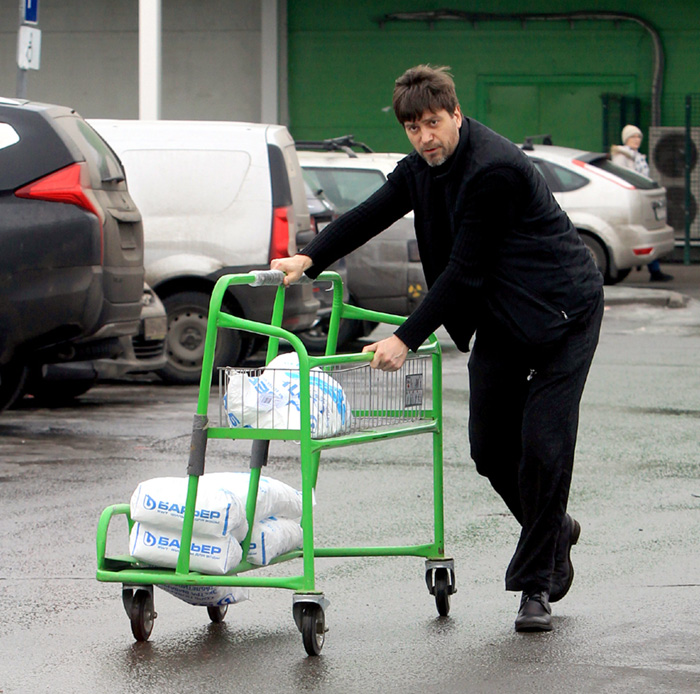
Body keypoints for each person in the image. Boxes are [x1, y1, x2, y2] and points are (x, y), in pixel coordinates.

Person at [272, 65, 604, 632]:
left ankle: (534, 586)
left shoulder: (493, 169)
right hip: (504, 319)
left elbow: (465, 272)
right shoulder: (421, 169)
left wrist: (406, 337)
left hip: (562, 314)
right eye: (412, 128)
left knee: (544, 444)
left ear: (455, 114)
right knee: (488, 449)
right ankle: (555, 528)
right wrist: (311, 257)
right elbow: (372, 212)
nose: (425, 137)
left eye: (432, 123)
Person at [611, 124, 673, 282]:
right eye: (633, 137)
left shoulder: (637, 157)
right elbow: (622, 180)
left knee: (646, 235)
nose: (637, 140)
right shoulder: (621, 157)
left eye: (638, 137)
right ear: (626, 139)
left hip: (641, 200)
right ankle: (653, 270)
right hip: (631, 201)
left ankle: (654, 270)